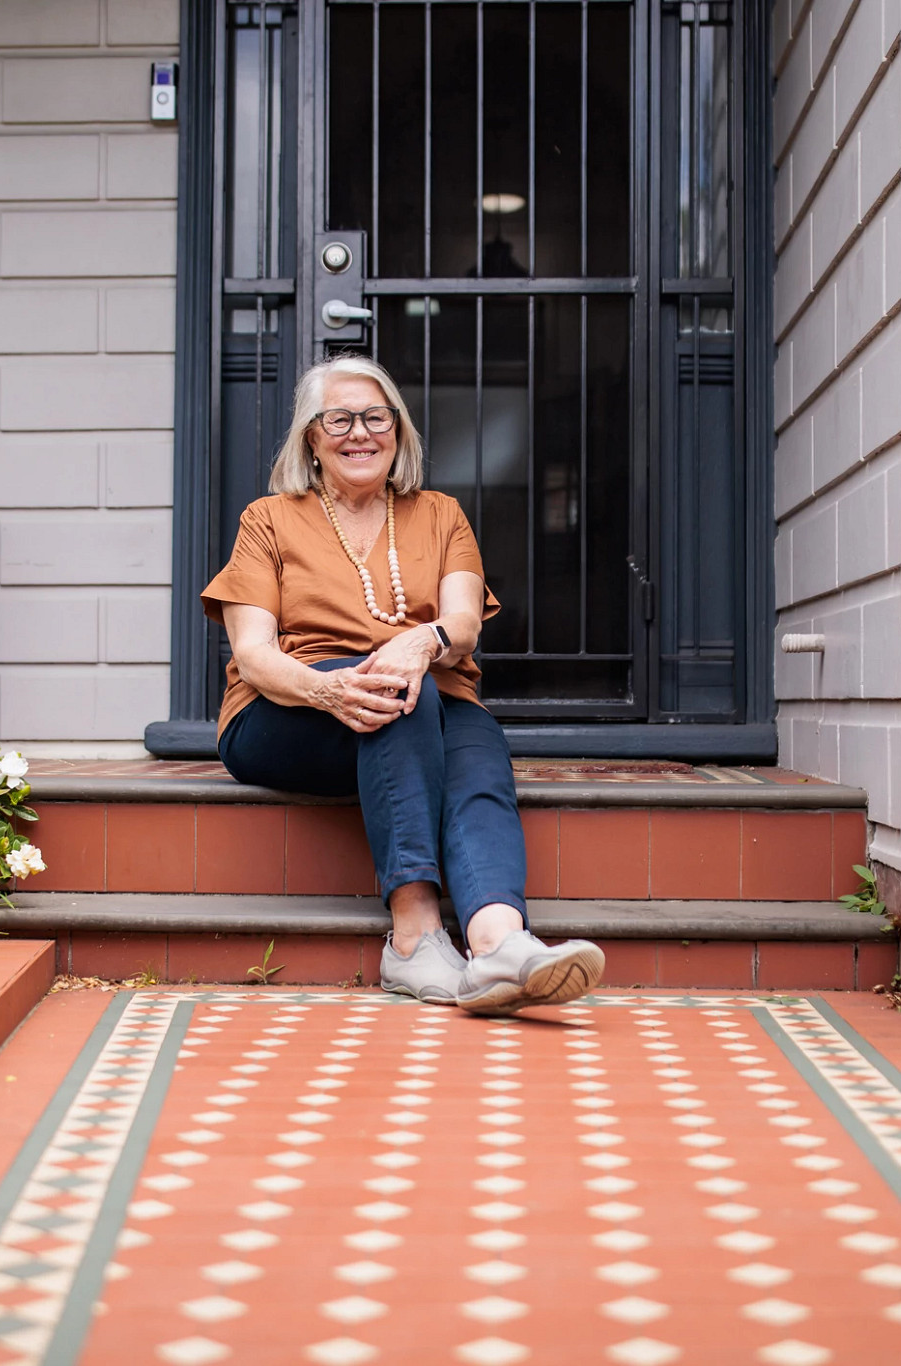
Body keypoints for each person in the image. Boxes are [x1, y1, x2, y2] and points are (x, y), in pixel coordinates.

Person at [201, 355, 605, 1014]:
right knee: (398, 693)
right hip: (287, 711)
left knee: (476, 748)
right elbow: (253, 654)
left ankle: (500, 942)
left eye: (376, 418)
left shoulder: (440, 514)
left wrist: (422, 641)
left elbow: (464, 621)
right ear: (312, 436)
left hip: (427, 697)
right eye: (340, 419)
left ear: (399, 431)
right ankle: (414, 940)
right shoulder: (268, 520)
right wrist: (332, 689)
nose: (360, 432)